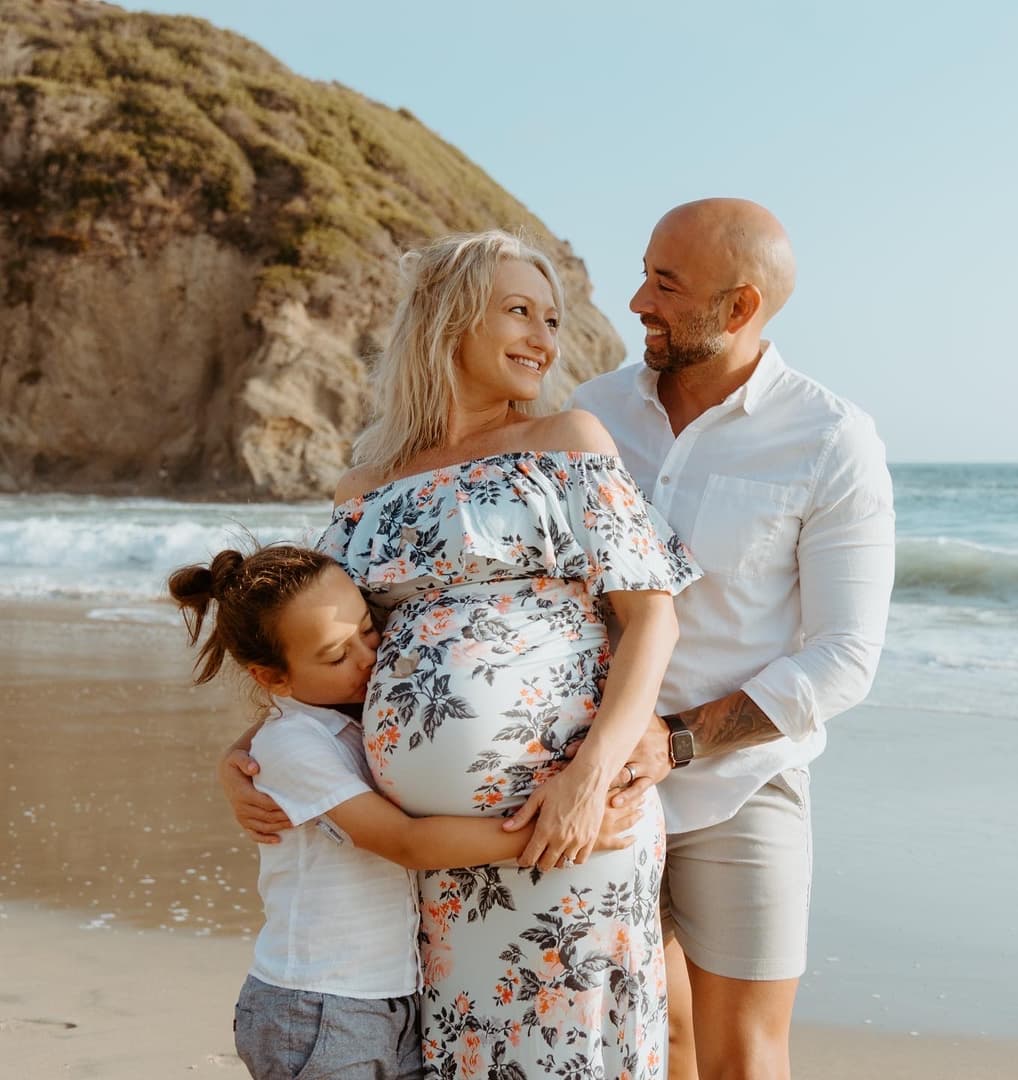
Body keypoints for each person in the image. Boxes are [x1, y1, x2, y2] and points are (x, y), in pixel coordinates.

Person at [220, 231, 701, 1079]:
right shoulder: (365, 487)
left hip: (573, 829)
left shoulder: (566, 438)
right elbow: (313, 646)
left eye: (551, 319)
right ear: (447, 319)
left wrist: (588, 782)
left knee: (570, 1055)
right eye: (518, 311)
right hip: (442, 862)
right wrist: (249, 753)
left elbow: (652, 616)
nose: (544, 339)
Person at [572, 197, 896, 1080]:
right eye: (643, 272)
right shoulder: (589, 415)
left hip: (739, 783)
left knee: (742, 1056)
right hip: (586, 775)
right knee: (646, 1041)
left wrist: (674, 741)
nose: (638, 300)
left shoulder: (831, 439)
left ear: (741, 308)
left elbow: (844, 657)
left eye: (665, 284)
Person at [170, 543, 648, 1080]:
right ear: (271, 678)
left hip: (392, 996)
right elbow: (404, 842)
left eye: (369, 630)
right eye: (336, 655)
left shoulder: (344, 725)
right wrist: (553, 835)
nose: (368, 658)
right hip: (317, 1004)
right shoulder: (291, 746)